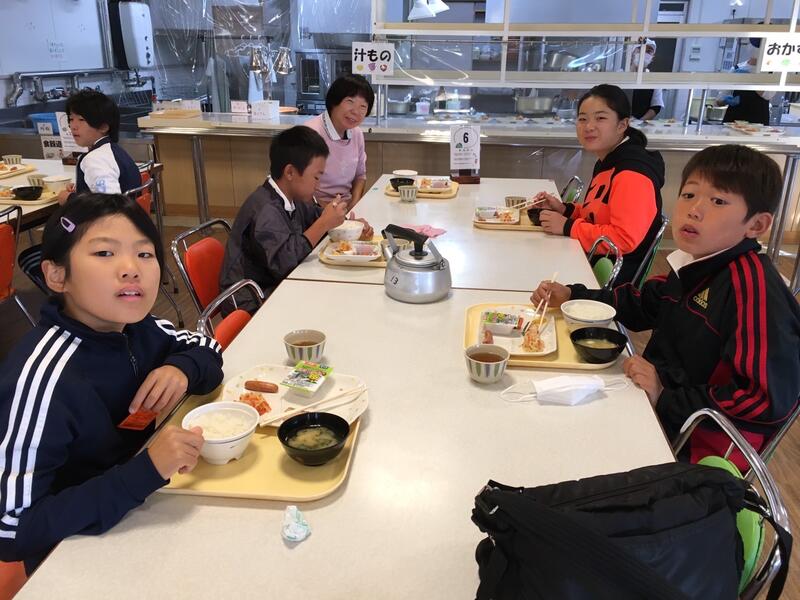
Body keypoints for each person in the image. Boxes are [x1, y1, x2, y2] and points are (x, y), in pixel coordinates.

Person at [531, 145, 800, 469]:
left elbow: (765, 399)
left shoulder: (754, 291)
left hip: (691, 453)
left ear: (756, 225)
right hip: (653, 410)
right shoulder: (696, 262)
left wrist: (666, 396)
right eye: (689, 195)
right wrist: (573, 295)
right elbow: (644, 304)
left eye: (718, 201)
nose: (694, 210)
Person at [0, 194, 224, 573]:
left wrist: (181, 368)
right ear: (57, 276)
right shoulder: (43, 377)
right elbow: (10, 528)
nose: (131, 269)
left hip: (142, 516)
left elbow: (206, 347)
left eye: (144, 254)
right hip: (78, 558)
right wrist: (146, 470)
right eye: (104, 253)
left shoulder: (137, 326)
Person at [220, 125, 373, 311]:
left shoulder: (293, 198)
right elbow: (283, 263)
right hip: (250, 301)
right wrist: (323, 224)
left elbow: (319, 218)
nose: (318, 185)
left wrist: (350, 226)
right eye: (316, 177)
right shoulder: (266, 210)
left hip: (273, 286)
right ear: (290, 172)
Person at [534, 84, 665, 286]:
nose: (589, 126)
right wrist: (564, 210)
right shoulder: (608, 160)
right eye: (582, 119)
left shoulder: (632, 173)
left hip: (609, 285)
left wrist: (568, 226)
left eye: (600, 118)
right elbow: (597, 214)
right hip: (587, 259)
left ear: (622, 125)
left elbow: (624, 239)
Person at [18, 90, 142, 294]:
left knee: (31, 258)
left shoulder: (94, 159)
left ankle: (73, 298)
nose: (73, 126)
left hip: (104, 240)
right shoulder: (113, 151)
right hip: (128, 232)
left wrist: (71, 199)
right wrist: (82, 192)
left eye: (81, 120)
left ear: (103, 126)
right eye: (71, 119)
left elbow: (110, 205)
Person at [305, 74, 374, 209]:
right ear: (334, 101)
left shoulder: (356, 134)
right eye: (350, 101)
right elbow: (299, 185)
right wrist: (327, 212)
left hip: (345, 209)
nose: (356, 111)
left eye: (363, 106)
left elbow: (360, 176)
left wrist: (354, 205)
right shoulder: (311, 133)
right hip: (314, 210)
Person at [720, 37, 775, 126]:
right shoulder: (737, 68)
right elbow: (719, 101)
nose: (755, 47)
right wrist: (726, 100)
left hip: (758, 125)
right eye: (754, 43)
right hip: (733, 123)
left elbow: (768, 95)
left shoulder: (769, 71)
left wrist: (749, 78)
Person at [629, 38, 664, 121]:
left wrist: (638, 122)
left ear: (652, 57)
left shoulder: (653, 80)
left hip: (640, 125)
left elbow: (656, 107)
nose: (644, 53)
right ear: (632, 53)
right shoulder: (620, 75)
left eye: (648, 51)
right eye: (640, 49)